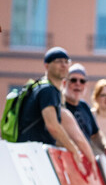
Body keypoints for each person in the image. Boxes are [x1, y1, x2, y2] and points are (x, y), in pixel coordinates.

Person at [16, 47, 87, 175]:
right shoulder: (48, 90)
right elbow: (52, 126)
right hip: (33, 154)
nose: (64, 65)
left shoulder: (41, 86)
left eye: (66, 62)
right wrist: (74, 150)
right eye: (59, 61)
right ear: (46, 65)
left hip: (28, 152)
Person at [63, 64, 106, 164]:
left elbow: (96, 134)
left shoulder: (84, 106)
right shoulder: (59, 105)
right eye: (73, 80)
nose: (78, 84)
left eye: (82, 81)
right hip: (64, 160)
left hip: (83, 161)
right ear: (65, 83)